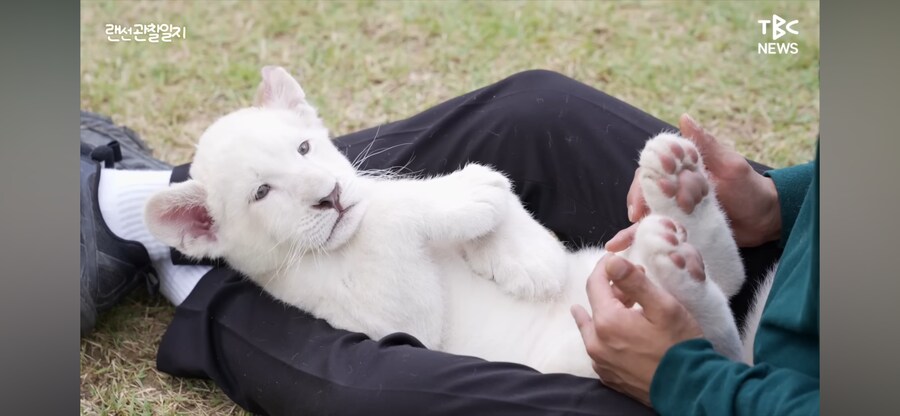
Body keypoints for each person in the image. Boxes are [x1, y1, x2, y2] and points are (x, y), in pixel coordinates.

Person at [81, 70, 803, 415]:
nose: (320, 186)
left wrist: (688, 379)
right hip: (797, 279)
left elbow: (416, 320)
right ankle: (156, 214)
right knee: (535, 109)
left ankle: (161, 255)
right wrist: (787, 199)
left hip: (697, 388)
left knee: (372, 388)